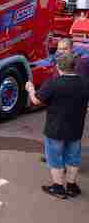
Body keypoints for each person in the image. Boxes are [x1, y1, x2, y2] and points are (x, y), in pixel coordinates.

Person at [26, 53, 89, 199]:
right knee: (73, 158)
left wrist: (30, 89)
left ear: (58, 67)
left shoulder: (53, 83)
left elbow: (36, 101)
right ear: (75, 67)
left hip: (55, 129)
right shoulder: (84, 83)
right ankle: (72, 186)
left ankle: (58, 187)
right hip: (76, 128)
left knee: (55, 158)